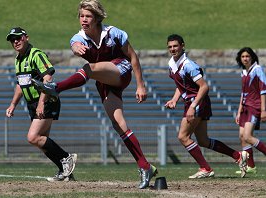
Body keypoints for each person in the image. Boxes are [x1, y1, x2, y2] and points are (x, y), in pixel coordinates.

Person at [32, 0, 157, 189]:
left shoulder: (113, 33)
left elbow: (132, 57)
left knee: (89, 68)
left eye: (88, 16)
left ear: (97, 18)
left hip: (121, 71)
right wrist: (74, 47)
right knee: (119, 125)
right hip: (105, 82)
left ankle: (56, 89)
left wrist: (141, 85)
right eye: (81, 16)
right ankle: (145, 166)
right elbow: (75, 43)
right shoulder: (79, 37)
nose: (83, 19)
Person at [165, 34, 249, 178]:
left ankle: (205, 168)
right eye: (170, 47)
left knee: (183, 137)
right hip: (193, 102)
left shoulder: (188, 65)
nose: (173, 49)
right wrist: (174, 99)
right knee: (203, 140)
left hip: (197, 102)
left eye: (175, 46)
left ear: (182, 46)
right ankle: (238, 156)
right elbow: (181, 85)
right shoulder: (172, 64)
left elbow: (204, 87)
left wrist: (193, 106)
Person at [5, 27, 77, 182]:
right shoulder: (18, 59)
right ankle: (65, 172)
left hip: (46, 100)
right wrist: (13, 104)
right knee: (42, 141)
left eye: (18, 38)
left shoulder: (36, 54)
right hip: (32, 103)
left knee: (33, 137)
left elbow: (48, 78)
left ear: (26, 38)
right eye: (12, 39)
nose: (15, 41)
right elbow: (20, 84)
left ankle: (66, 157)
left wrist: (41, 103)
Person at [234, 47, 266, 175]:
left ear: (252, 57)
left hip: (255, 106)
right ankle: (251, 166)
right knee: (242, 137)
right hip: (245, 108)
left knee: (248, 136)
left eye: (247, 56)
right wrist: (239, 110)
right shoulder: (244, 72)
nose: (245, 58)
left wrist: (263, 110)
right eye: (243, 57)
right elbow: (243, 93)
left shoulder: (257, 69)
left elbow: (264, 90)